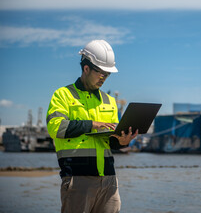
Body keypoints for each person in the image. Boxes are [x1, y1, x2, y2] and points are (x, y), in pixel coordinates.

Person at [46, 39, 138, 213]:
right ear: (86, 68)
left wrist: (123, 141)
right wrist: (92, 125)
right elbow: (55, 127)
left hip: (109, 180)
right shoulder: (63, 95)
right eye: (101, 72)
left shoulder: (109, 101)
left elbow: (110, 142)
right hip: (77, 179)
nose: (104, 77)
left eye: (107, 74)